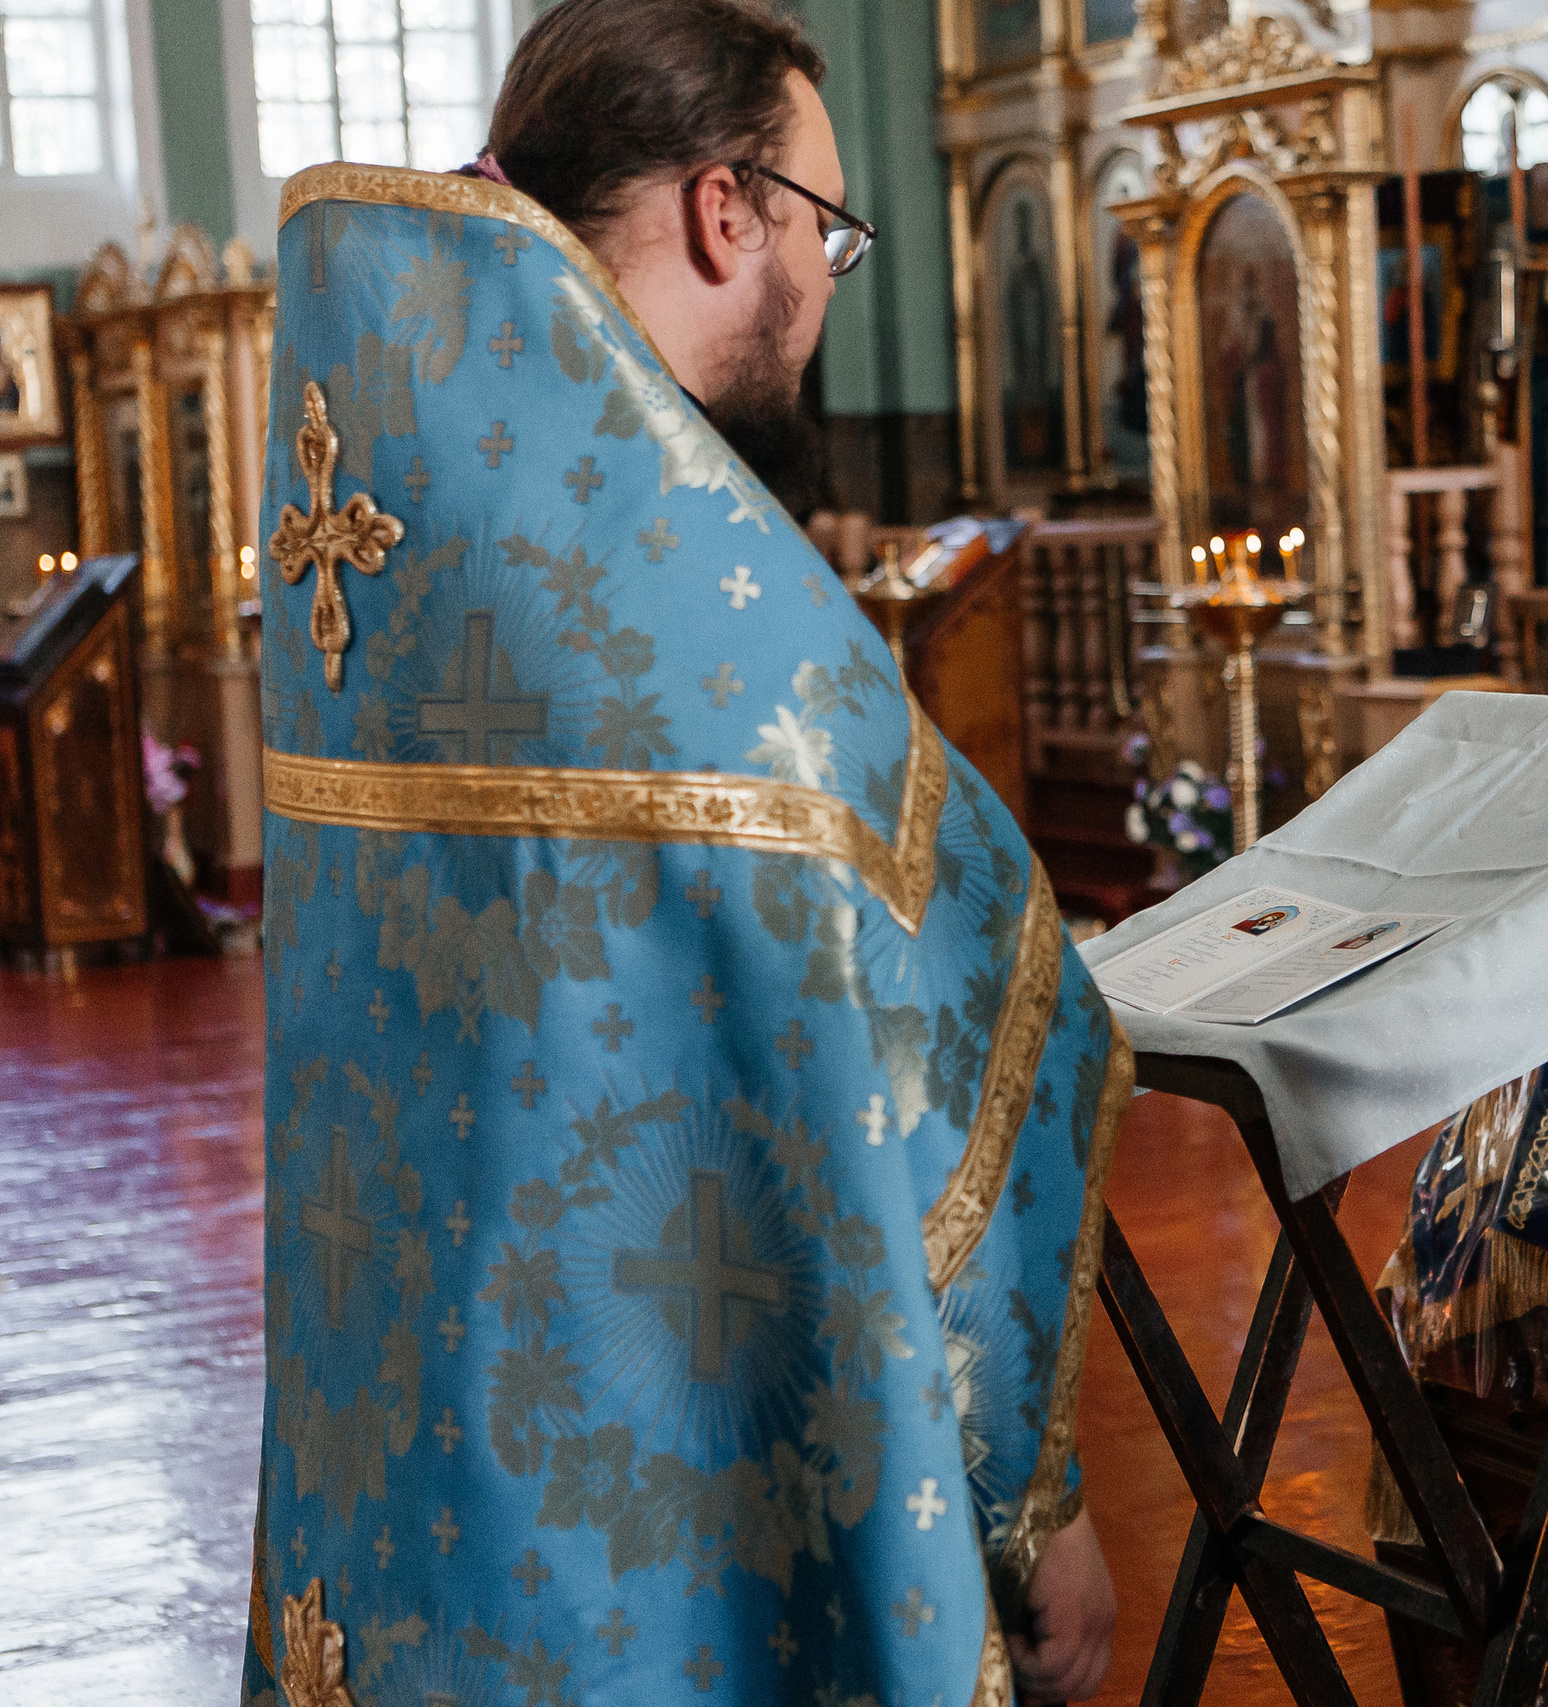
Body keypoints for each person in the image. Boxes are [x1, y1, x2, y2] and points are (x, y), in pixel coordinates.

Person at [239, 4, 1126, 1705]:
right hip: (679, 1527)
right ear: (731, 212)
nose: (824, 280)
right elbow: (966, 1021)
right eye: (828, 228)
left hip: (403, 1508)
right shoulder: (742, 656)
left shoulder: (386, 551)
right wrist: (1034, 1496)